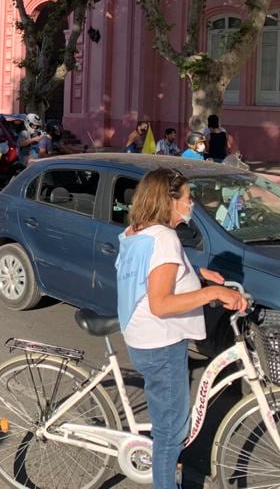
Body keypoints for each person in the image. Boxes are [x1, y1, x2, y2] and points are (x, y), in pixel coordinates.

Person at [115, 168, 247, 489]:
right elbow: (161, 302)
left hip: (143, 337)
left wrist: (198, 273)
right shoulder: (165, 238)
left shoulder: (139, 230)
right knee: (170, 435)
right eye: (187, 197)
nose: (191, 204)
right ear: (169, 200)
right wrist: (215, 292)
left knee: (169, 426)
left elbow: (156, 272)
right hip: (160, 344)